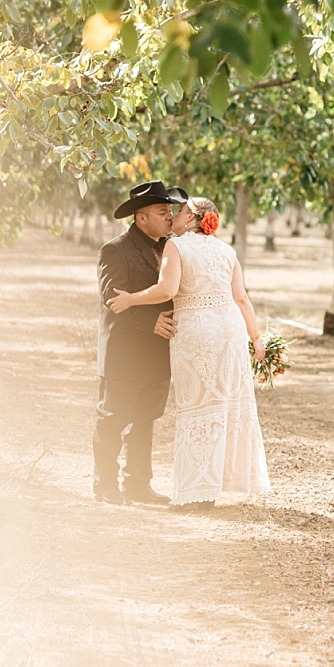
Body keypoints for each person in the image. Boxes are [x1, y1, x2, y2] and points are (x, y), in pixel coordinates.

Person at [108, 197, 271, 509]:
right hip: (229, 333)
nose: (174, 217)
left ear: (193, 217)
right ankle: (211, 491)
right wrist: (256, 338)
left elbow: (167, 290)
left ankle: (195, 492)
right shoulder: (227, 251)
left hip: (196, 333)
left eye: (180, 212)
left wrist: (131, 299)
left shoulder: (177, 247)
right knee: (221, 410)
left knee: (196, 410)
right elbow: (242, 299)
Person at [94, 181, 189, 505]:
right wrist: (152, 321)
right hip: (124, 350)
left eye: (171, 211)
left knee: (146, 418)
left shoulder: (170, 248)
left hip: (158, 352)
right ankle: (105, 484)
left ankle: (137, 483)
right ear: (141, 218)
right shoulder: (115, 249)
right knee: (114, 417)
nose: (170, 217)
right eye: (163, 212)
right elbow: (113, 299)